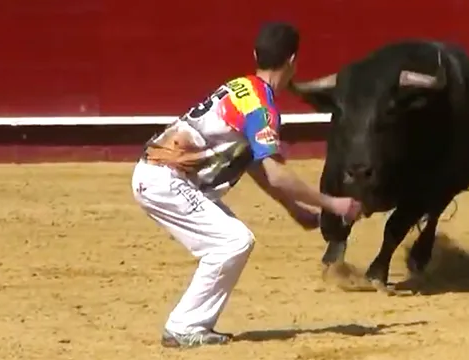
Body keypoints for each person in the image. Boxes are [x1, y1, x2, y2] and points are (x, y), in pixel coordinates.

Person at [131, 22, 363, 348]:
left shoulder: (241, 87)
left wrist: (294, 209)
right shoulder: (261, 108)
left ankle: (190, 325)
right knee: (233, 242)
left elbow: (253, 163)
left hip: (162, 176)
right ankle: (184, 326)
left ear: (256, 55)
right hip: (166, 180)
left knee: (231, 242)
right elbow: (278, 173)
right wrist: (334, 204)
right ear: (293, 61)